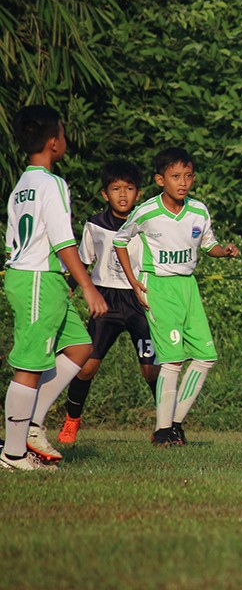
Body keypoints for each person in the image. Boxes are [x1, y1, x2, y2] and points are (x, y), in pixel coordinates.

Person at [2, 105, 108, 471]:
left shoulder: (21, 186)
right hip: (37, 279)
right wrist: (88, 285)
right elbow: (63, 240)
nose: (65, 140)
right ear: (53, 142)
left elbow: (15, 239)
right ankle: (13, 454)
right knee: (30, 364)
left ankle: (31, 425)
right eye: (62, 133)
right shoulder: (53, 183)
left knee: (79, 348)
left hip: (37, 277)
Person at [113, 147, 239, 446]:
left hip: (188, 288)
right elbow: (120, 240)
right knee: (172, 360)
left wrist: (225, 251)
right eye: (175, 176)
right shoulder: (147, 212)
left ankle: (175, 424)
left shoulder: (198, 210)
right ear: (160, 180)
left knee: (206, 357)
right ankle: (162, 430)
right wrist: (134, 282)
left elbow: (209, 244)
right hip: (159, 287)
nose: (182, 182)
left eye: (188, 176)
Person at [57, 160, 160, 444]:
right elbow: (83, 262)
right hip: (106, 301)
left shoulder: (148, 223)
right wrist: (69, 288)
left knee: (151, 369)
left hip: (140, 300)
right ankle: (71, 421)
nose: (123, 194)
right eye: (116, 189)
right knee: (87, 365)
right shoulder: (95, 224)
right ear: (105, 194)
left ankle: (167, 427)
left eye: (129, 188)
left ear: (139, 193)